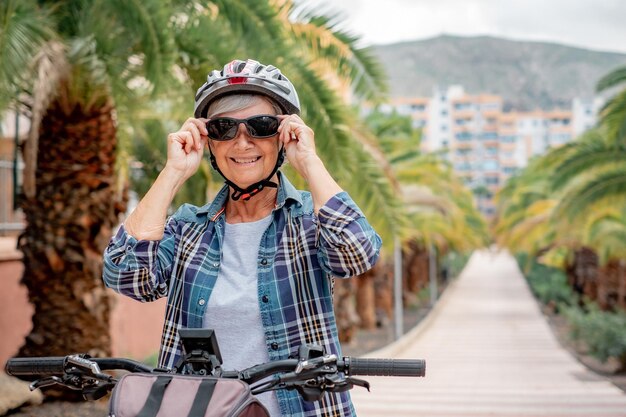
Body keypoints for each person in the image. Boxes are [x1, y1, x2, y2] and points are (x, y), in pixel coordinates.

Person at [103, 59, 382, 416]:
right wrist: (172, 173)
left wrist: (309, 161)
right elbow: (127, 276)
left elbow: (357, 253)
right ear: (209, 142)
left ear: (283, 136)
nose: (243, 142)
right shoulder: (189, 228)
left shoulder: (310, 221)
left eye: (261, 126)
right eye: (223, 128)